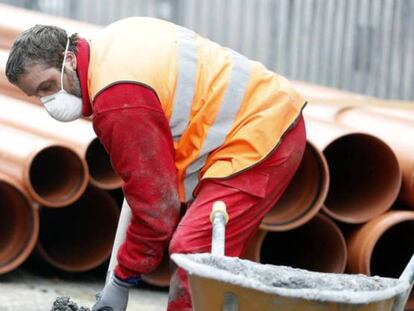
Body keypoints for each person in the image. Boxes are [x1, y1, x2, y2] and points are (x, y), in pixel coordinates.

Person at [6, 17, 307, 311]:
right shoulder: (110, 46)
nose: (48, 101)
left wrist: (122, 280)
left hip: (263, 134)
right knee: (202, 257)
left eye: (47, 86)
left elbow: (156, 208)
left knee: (194, 252)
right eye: (38, 95)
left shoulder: (118, 98)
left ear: (68, 59)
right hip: (250, 122)